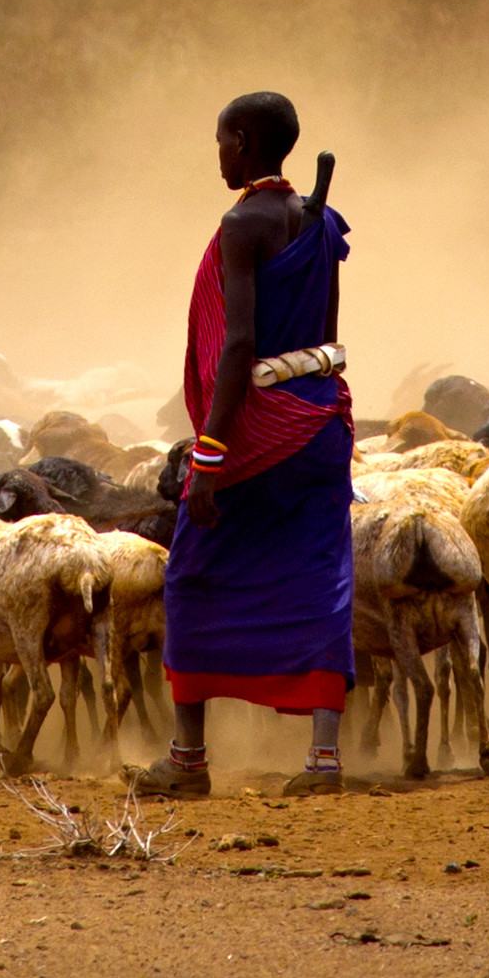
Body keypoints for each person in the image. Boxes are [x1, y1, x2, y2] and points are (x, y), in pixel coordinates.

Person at [130, 88, 353, 798]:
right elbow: (324, 335)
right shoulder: (320, 223)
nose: (219, 155)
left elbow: (238, 344)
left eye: (223, 141)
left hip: (256, 428)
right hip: (319, 417)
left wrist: (210, 455)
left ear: (247, 142)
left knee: (193, 577)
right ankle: (323, 761)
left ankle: (187, 759)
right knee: (319, 577)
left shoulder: (242, 223)